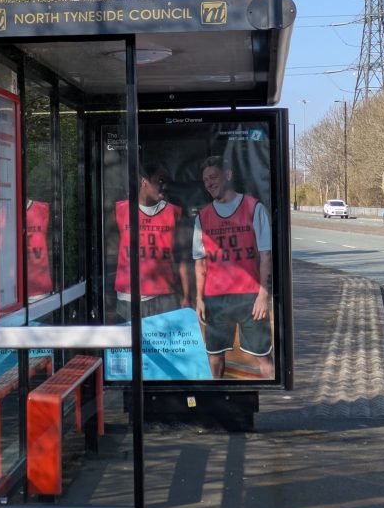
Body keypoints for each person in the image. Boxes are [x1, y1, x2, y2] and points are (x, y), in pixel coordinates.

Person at [193, 155, 273, 379]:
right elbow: (200, 262)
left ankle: (274, 402)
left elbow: (266, 255)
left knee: (264, 357)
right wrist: (199, 298)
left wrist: (263, 295)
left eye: (213, 176)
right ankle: (214, 402)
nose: (209, 183)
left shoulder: (254, 208)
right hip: (216, 299)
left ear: (227, 175)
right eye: (205, 179)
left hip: (249, 296)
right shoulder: (202, 217)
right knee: (214, 357)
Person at [114, 163, 190, 320]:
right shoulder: (121, 210)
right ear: (144, 181)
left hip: (164, 295)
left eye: (167, 182)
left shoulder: (173, 212)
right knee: (132, 343)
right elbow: (111, 248)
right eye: (160, 181)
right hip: (129, 296)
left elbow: (183, 257)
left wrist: (187, 295)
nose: (164, 186)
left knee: (164, 344)